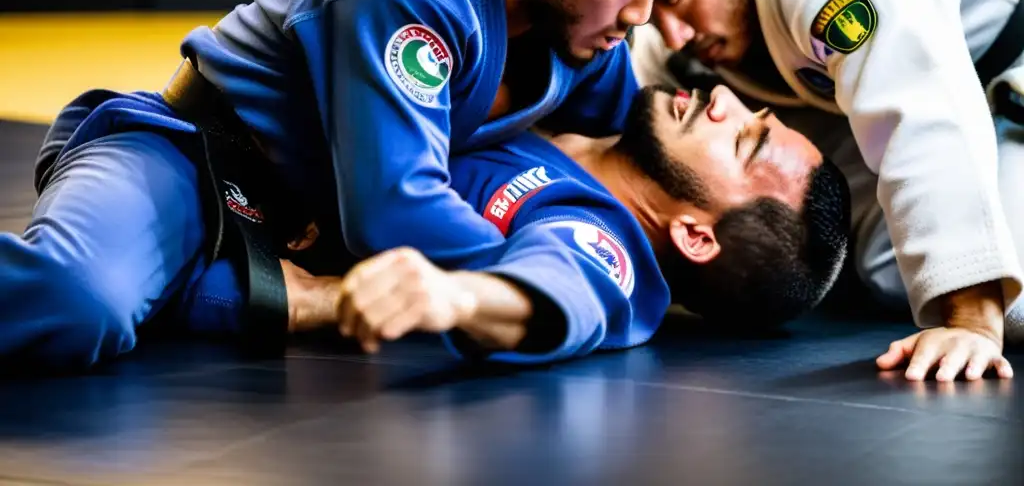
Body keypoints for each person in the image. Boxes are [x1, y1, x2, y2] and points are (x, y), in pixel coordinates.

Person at [0, 0, 691, 370]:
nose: (642, 18)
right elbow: (396, 210)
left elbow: (639, 139)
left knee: (153, 305)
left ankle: (259, 298)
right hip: (193, 165)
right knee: (77, 300)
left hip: (299, 236)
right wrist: (540, 289)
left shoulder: (580, 25)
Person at [631, 0, 1024, 382]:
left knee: (998, 299)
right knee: (891, 268)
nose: (674, 33)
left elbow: (925, 112)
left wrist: (972, 324)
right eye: (654, 11)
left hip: (1008, 50)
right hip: (915, 77)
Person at [270, 84, 853, 362]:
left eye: (743, 140)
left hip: (223, 227)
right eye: (756, 114)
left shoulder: (602, 236)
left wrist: (449, 297)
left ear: (695, 235)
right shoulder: (587, 81)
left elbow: (568, 286)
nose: (724, 98)